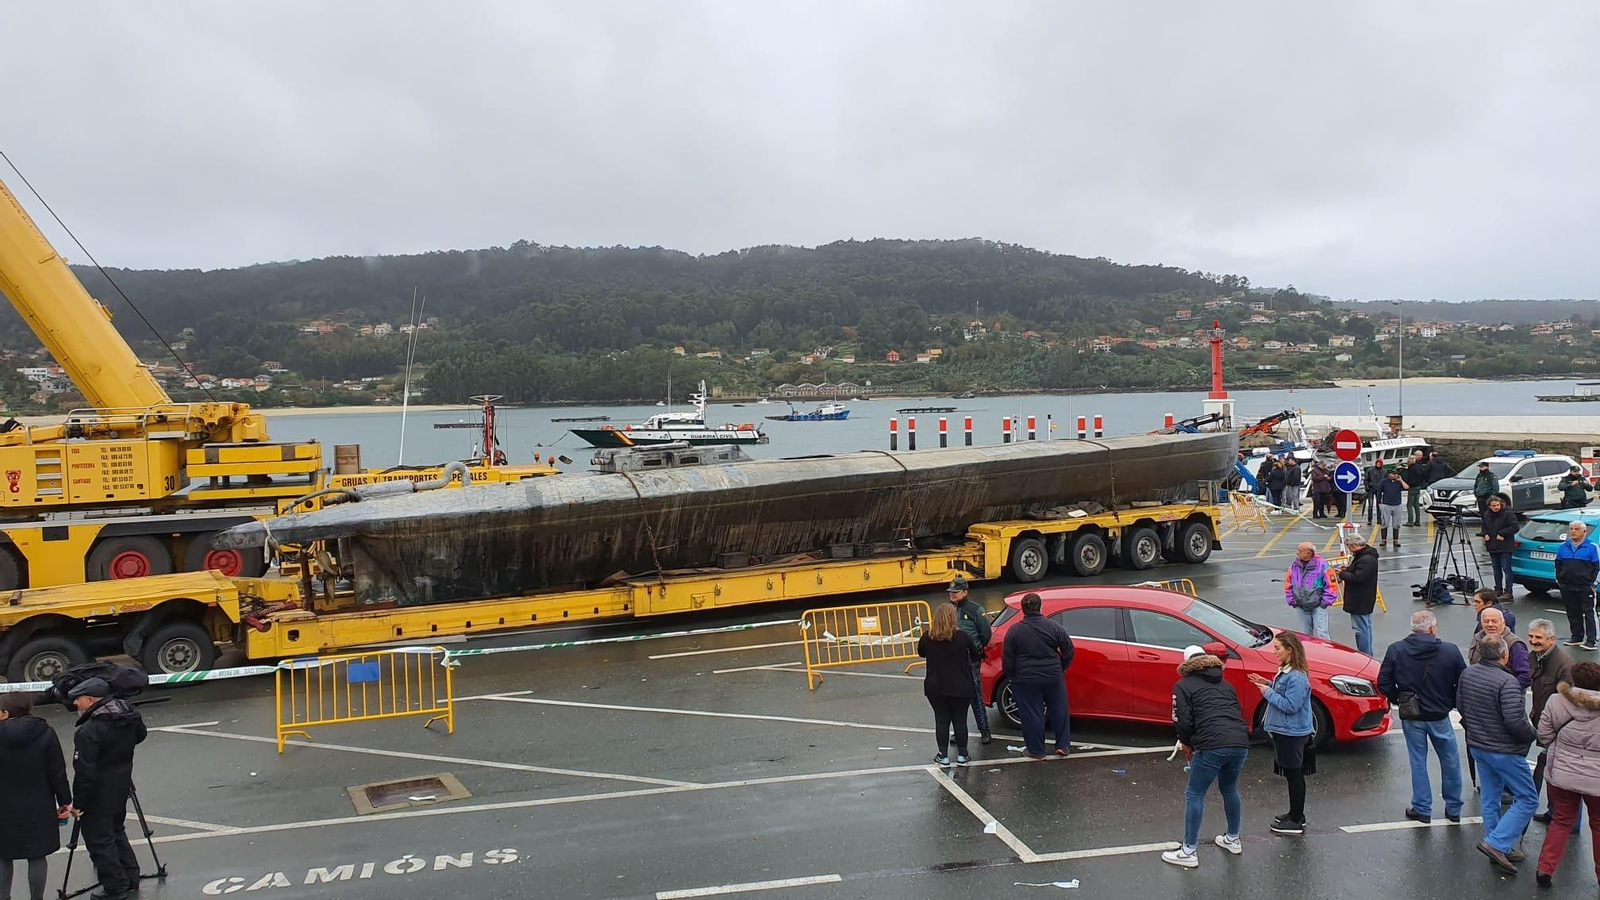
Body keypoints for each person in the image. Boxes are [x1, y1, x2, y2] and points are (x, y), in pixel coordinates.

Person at [1457, 636, 1539, 875]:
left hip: (1478, 746)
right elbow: (1515, 720)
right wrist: (1532, 734)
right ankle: (1496, 843)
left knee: (1491, 798)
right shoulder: (1508, 681)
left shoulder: (1468, 674)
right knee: (1528, 799)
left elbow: (1461, 706)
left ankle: (1497, 843)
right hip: (1505, 751)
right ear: (1505, 655)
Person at [1162, 646, 1250, 869]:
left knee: (1194, 793)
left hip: (1212, 744)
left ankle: (1189, 850)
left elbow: (1182, 720)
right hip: (1239, 742)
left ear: (1186, 663)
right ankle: (1233, 838)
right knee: (1229, 789)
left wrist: (1187, 742)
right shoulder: (1226, 684)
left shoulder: (1183, 685)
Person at [1378, 610, 1467, 824]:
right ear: (1433, 628)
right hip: (1439, 714)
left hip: (1412, 713)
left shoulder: (1397, 649)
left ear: (1413, 628)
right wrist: (1451, 703)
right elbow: (1463, 681)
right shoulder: (1450, 651)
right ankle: (1454, 807)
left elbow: (1384, 682)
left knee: (1418, 760)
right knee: (1450, 760)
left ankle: (1422, 807)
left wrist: (1399, 699)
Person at [67, 678, 147, 900]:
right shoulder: (128, 714)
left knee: (100, 839)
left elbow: (85, 770)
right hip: (121, 784)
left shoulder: (89, 729)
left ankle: (115, 886)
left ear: (91, 699)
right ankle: (131, 876)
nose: (75, 703)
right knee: (116, 830)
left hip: (98, 791)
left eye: (79, 699)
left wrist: (79, 803)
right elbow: (141, 735)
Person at [1534, 661, 1600, 888]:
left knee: (1561, 821)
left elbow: (1543, 735)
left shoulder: (1556, 701)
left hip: (1562, 774)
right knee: (1599, 826)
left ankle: (1545, 869)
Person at [0, 694, 71, 900]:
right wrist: (64, 800)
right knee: (37, 855)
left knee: (3, 854)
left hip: (3, 804)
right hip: (38, 803)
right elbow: (57, 771)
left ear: (5, 713)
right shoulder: (45, 732)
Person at [1249, 632, 1315, 835]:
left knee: (1294, 775)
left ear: (1290, 650)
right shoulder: (1288, 673)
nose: (1274, 652)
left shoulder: (1296, 677)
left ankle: (1296, 820)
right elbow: (1284, 692)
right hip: (1286, 731)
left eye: (1277, 648)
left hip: (1291, 733)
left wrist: (1266, 692)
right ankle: (1295, 813)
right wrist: (1268, 683)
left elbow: (1290, 705)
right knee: (1291, 774)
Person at [1000, 592, 1075, 760]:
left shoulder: (1015, 630)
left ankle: (1036, 750)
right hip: (1052, 676)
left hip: (1025, 678)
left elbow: (1008, 658)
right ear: (1041, 607)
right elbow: (1068, 649)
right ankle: (1062, 745)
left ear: (1023, 610)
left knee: (1032, 713)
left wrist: (1012, 676)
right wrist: (1061, 667)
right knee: (1059, 709)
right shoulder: (1054, 627)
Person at [918, 603, 981, 767]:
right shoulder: (963, 637)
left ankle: (943, 755)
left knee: (941, 720)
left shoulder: (927, 637)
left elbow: (921, 653)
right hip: (961, 685)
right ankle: (963, 754)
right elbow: (975, 656)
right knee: (960, 721)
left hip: (935, 686)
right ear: (953, 619)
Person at [1526, 619, 1575, 826]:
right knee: (1550, 772)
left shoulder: (1564, 665)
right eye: (1531, 637)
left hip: (1560, 730)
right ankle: (1553, 812)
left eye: (1538, 637)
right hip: (1545, 725)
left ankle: (1570, 821)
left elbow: (1571, 703)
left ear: (1552, 639)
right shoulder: (1535, 657)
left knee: (1563, 776)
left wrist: (1559, 731)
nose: (1533, 641)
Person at [945, 576, 993, 744]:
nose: (952, 595)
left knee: (975, 696)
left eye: (955, 592)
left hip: (970, 659)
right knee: (956, 697)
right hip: (952, 660)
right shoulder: (948, 609)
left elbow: (985, 633)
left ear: (965, 592)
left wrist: (977, 651)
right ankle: (959, 731)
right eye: (950, 592)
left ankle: (985, 731)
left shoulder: (975, 610)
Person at [1554, 519, 1600, 651]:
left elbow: (1598, 567)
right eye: (1572, 529)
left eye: (1577, 529)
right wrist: (1559, 579)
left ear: (1584, 531)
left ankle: (1592, 640)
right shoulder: (1563, 546)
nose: (1573, 531)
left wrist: (1593, 584)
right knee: (1572, 611)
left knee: (1589, 612)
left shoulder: (1592, 547)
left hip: (1586, 586)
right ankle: (1577, 636)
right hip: (1567, 585)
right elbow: (1558, 564)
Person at [1333, 534, 1379, 656]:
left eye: (1349, 546)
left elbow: (1358, 577)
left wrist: (1342, 573)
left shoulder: (1365, 559)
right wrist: (1348, 569)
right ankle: (1367, 652)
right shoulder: (1366, 556)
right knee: (1365, 626)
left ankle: (1365, 654)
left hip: (1360, 599)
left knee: (1361, 629)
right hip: (1364, 598)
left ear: (1353, 546)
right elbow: (1358, 572)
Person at [1284, 542, 1337, 640]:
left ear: (1308, 553)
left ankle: (1324, 654)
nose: (1297, 553)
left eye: (1299, 551)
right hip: (1300, 605)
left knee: (1322, 634)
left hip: (1318, 606)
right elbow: (1288, 583)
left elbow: (1331, 585)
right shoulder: (1294, 565)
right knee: (1305, 635)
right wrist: (1292, 601)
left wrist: (1324, 603)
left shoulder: (1322, 565)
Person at [1470, 608, 1530, 689]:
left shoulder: (1515, 644)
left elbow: (1526, 675)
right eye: (1486, 621)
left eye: (1494, 621)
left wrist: (1508, 689)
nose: (1490, 624)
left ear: (1503, 623)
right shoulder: (1477, 638)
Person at [1479, 493, 1518, 595]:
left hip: (1505, 546)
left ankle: (1508, 591)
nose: (1496, 507)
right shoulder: (1487, 515)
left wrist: (1502, 533)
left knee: (1506, 569)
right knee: (1496, 569)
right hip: (1492, 545)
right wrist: (1485, 534)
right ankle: (1498, 589)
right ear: (1489, 506)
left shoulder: (1508, 514)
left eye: (1497, 505)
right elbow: (1484, 527)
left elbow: (1514, 527)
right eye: (1494, 506)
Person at [1376, 467, 1407, 549]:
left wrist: (1401, 480)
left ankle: (1395, 540)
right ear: (1389, 474)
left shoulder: (1398, 482)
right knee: (1385, 523)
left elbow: (1406, 487)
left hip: (1397, 504)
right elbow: (1379, 492)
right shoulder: (1384, 482)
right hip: (1386, 504)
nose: (1394, 475)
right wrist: (1379, 503)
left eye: (1396, 474)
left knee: (1396, 524)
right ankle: (1383, 540)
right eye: (1393, 474)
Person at [1405, 451, 1431, 527]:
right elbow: (1423, 475)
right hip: (1418, 487)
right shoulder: (1419, 466)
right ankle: (1417, 521)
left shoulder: (1411, 468)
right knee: (1416, 505)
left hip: (1412, 488)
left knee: (1409, 505)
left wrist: (1408, 484)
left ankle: (1410, 521)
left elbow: (1409, 479)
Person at [1363, 459, 1386, 525]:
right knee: (1370, 505)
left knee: (1379, 505)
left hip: (1379, 489)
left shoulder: (1384, 471)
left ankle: (1379, 519)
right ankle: (1369, 519)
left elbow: (1385, 480)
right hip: (1371, 489)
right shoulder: (1370, 470)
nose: (1378, 464)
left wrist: (1384, 489)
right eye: (1377, 462)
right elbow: (1366, 479)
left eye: (1379, 463)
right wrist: (1367, 486)